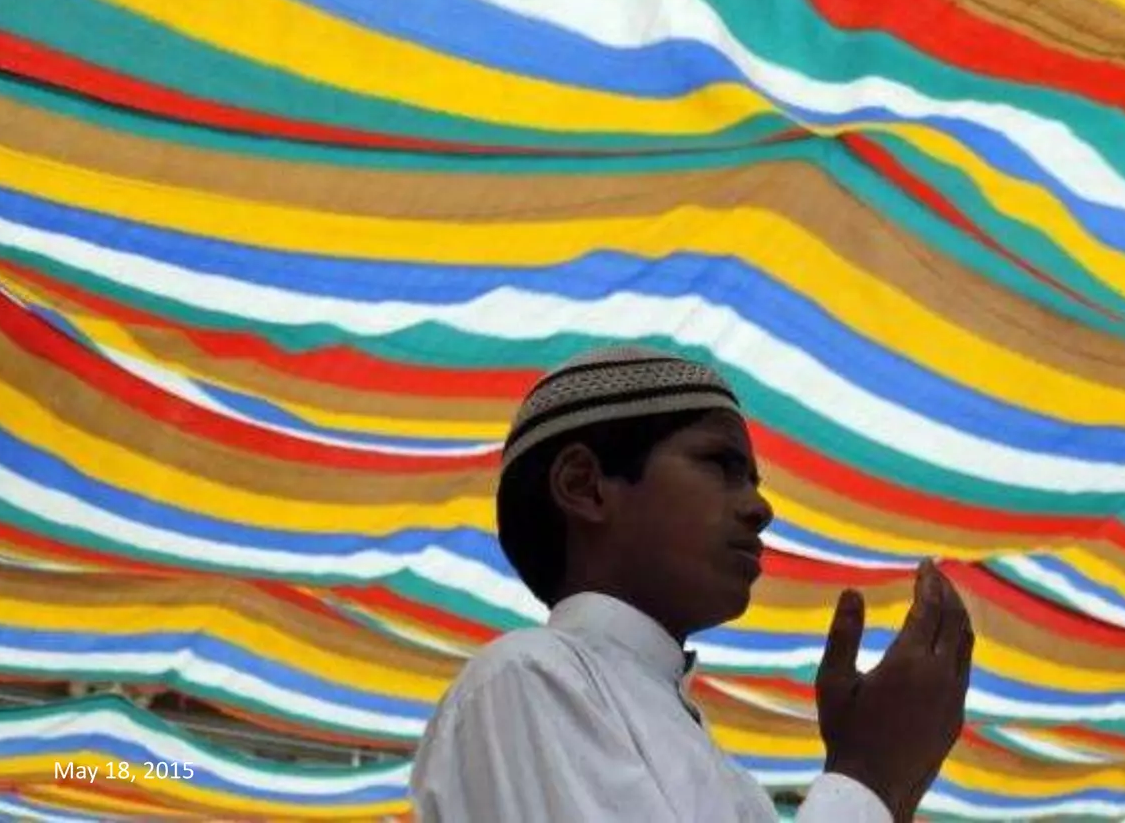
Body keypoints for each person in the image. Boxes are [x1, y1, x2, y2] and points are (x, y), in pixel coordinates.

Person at [409, 344, 975, 821]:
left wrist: (884, 784)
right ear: (585, 486)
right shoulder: (528, 677)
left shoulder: (717, 765)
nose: (760, 508)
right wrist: (868, 776)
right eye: (722, 467)